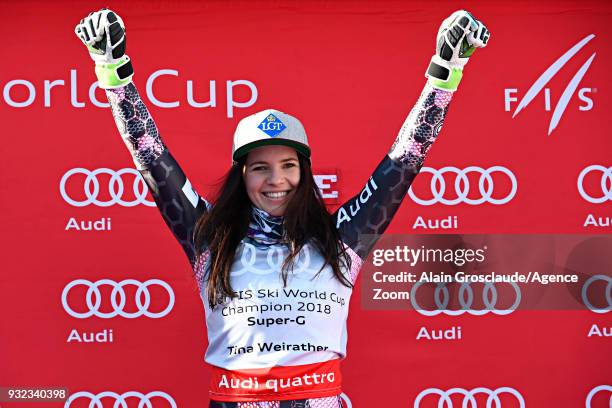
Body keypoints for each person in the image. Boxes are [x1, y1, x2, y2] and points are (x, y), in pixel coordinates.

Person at [75, 8, 489, 408]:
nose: (276, 180)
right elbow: (152, 158)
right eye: (260, 168)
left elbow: (405, 161)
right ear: (242, 176)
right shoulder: (210, 238)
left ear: (304, 173)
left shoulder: (340, 238)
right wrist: (113, 71)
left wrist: (444, 72)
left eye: (288, 166)